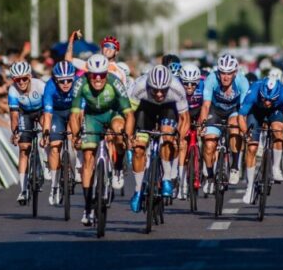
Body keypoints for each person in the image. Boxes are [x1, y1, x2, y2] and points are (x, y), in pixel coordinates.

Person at [68, 55, 132, 227]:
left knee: (119, 132)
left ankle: (118, 167)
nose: (98, 78)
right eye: (94, 74)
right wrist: (75, 137)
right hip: (92, 117)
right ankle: (88, 206)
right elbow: (74, 115)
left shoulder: (115, 82)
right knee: (88, 156)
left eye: (102, 74)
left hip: (113, 113)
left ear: (106, 73)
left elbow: (129, 114)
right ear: (88, 73)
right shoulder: (80, 83)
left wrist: (128, 136)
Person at [125, 65, 191, 212]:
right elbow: (129, 115)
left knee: (168, 136)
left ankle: (167, 178)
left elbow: (184, 118)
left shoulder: (176, 88)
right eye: (155, 90)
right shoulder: (139, 87)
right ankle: (137, 190)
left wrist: (179, 138)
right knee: (139, 149)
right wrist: (129, 139)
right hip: (145, 108)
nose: (160, 94)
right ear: (149, 85)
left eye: (163, 90)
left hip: (168, 108)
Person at [237, 78, 283, 206]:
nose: (268, 102)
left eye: (272, 100)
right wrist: (245, 132)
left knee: (277, 131)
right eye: (265, 99)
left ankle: (276, 167)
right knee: (252, 148)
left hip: (275, 113)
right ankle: (250, 187)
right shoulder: (254, 91)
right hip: (256, 112)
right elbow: (241, 116)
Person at [198, 54, 250, 188]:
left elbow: (244, 110)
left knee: (234, 126)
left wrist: (244, 129)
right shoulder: (211, 79)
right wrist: (202, 124)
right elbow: (206, 105)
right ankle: (209, 176)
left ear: (235, 72)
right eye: (222, 73)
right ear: (218, 72)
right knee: (209, 145)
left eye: (229, 73)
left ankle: (234, 167)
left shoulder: (242, 82)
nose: (225, 77)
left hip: (234, 111)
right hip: (215, 111)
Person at [6, 61, 46, 205]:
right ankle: (23, 190)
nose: (21, 82)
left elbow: (49, 109)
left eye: (24, 78)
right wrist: (16, 132)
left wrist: (47, 131)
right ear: (13, 80)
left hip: (41, 111)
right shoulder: (13, 91)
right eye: (17, 80)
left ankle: (48, 159)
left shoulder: (40, 85)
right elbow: (14, 116)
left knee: (48, 132)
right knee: (24, 149)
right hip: (24, 114)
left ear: (29, 77)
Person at [40, 62, 78, 207]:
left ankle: (77, 166)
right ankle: (55, 186)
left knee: (74, 137)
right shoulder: (49, 87)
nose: (66, 84)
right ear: (56, 80)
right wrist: (46, 134)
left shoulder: (77, 85)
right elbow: (48, 115)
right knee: (55, 145)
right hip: (56, 113)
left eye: (69, 80)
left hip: (73, 112)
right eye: (62, 81)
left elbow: (80, 113)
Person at [176, 64, 206, 197]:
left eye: (193, 84)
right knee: (181, 144)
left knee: (207, 138)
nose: (189, 87)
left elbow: (206, 107)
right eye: (186, 83)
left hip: (198, 113)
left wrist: (201, 124)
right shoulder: (176, 87)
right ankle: (181, 181)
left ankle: (205, 167)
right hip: (182, 114)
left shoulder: (204, 87)